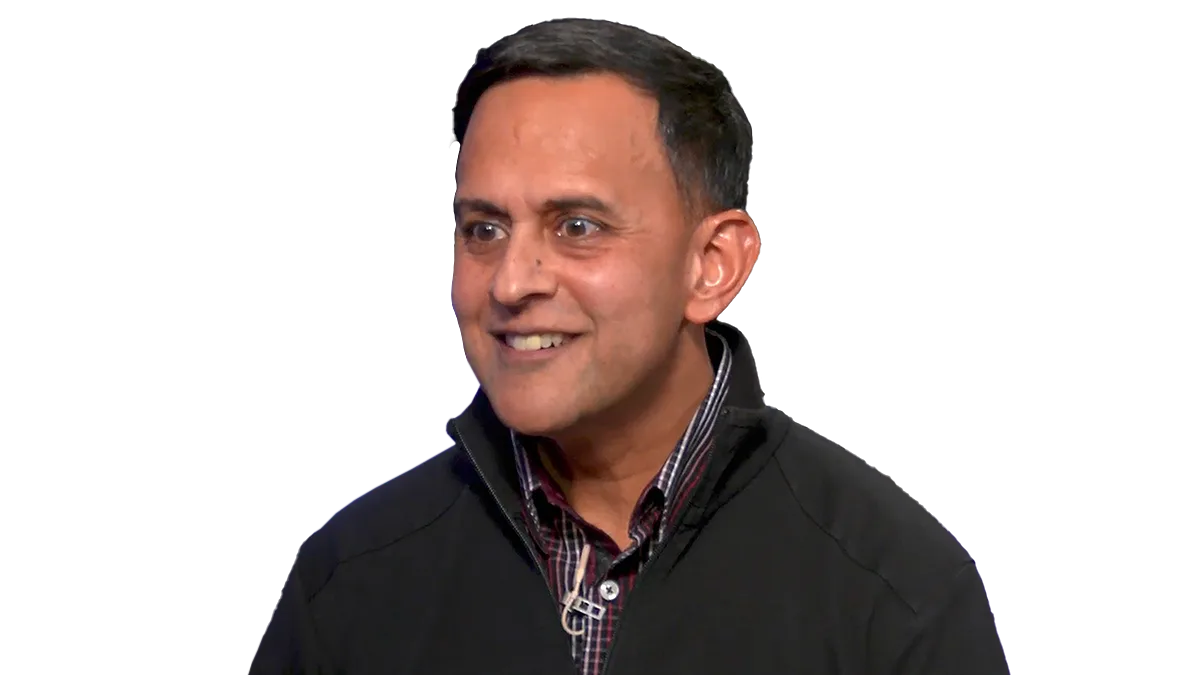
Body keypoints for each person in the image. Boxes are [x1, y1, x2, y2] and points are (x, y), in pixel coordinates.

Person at [248, 18, 1010, 675]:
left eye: (576, 226)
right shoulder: (348, 577)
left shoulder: (892, 586)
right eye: (484, 228)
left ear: (712, 265)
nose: (511, 280)